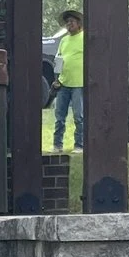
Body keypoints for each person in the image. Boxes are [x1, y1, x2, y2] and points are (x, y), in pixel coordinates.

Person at [50, 9, 86, 151]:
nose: (69, 24)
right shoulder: (64, 40)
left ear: (79, 23)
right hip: (63, 82)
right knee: (59, 116)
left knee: (79, 116)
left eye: (71, 21)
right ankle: (57, 144)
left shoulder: (85, 38)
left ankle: (79, 144)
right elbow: (58, 60)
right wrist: (56, 79)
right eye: (67, 22)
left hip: (79, 82)